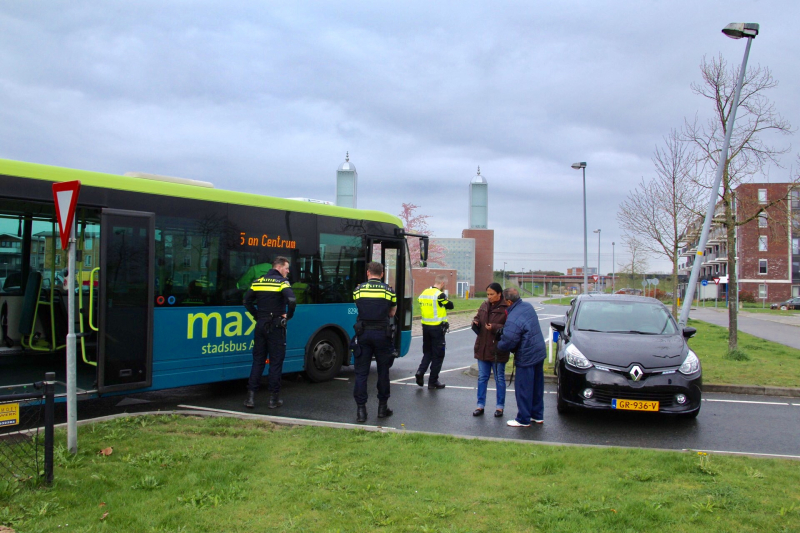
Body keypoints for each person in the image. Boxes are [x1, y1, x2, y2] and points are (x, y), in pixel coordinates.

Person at [243, 256, 296, 409]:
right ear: (279, 267)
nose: (287, 271)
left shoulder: (259, 281)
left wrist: (257, 315)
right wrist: (289, 316)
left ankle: (250, 398)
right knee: (275, 362)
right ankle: (273, 399)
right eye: (286, 268)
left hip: (260, 324)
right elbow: (292, 300)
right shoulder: (282, 282)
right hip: (276, 326)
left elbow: (246, 301)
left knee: (258, 361)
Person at [352, 261, 397, 423]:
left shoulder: (358, 290)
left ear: (368, 273)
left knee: (361, 372)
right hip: (382, 335)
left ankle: (361, 411)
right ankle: (382, 408)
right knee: (383, 371)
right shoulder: (389, 291)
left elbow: (358, 306)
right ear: (382, 274)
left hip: (363, 334)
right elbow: (392, 312)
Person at [497, 287, 547, 427]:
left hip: (526, 354)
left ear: (508, 301)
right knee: (537, 386)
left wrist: (499, 346)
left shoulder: (513, 316)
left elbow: (509, 340)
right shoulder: (528, 307)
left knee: (524, 388)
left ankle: (523, 419)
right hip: (538, 351)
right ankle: (537, 415)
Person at [471, 282, 509, 417]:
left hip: (498, 350)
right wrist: (475, 322)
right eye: (488, 294)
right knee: (482, 378)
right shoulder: (484, 305)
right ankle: (480, 405)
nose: (489, 297)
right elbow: (477, 318)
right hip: (482, 347)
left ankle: (500, 407)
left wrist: (493, 327)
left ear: (499, 294)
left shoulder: (507, 307)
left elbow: (509, 327)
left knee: (499, 378)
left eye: (492, 294)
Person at [415, 275, 454, 389]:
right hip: (437, 329)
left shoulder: (424, 293)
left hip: (425, 328)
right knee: (438, 355)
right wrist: (446, 299)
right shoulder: (440, 295)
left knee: (427, 353)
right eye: (444, 284)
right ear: (442, 283)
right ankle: (433, 381)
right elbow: (450, 305)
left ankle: (420, 372)